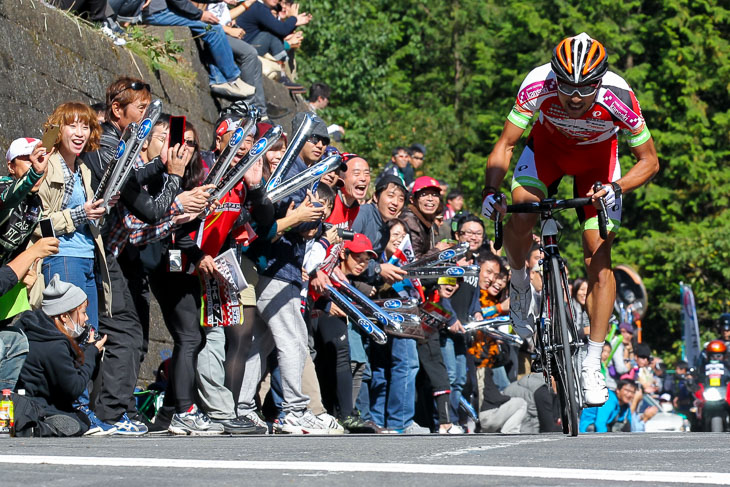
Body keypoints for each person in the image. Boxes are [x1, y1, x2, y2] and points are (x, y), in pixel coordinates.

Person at [481, 33, 659, 407]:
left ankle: (591, 361)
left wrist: (618, 187)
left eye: (585, 89)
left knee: (598, 256)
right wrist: (490, 190)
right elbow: (506, 144)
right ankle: (517, 283)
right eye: (567, 87)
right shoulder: (537, 83)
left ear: (600, 82)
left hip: (598, 168)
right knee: (522, 209)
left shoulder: (619, 96)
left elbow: (649, 161)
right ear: (554, 78)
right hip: (546, 155)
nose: (575, 97)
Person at [15, 275, 108, 436]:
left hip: (26, 399)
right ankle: (40, 427)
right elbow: (74, 388)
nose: (86, 319)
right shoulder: (54, 346)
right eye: (83, 313)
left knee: (78, 419)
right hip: (36, 404)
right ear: (64, 316)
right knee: (82, 422)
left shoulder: (33, 328)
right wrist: (91, 352)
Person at [142, 0, 254, 99]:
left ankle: (220, 80)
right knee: (213, 30)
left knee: (213, 29)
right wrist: (199, 15)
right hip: (156, 12)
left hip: (160, 10)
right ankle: (232, 79)